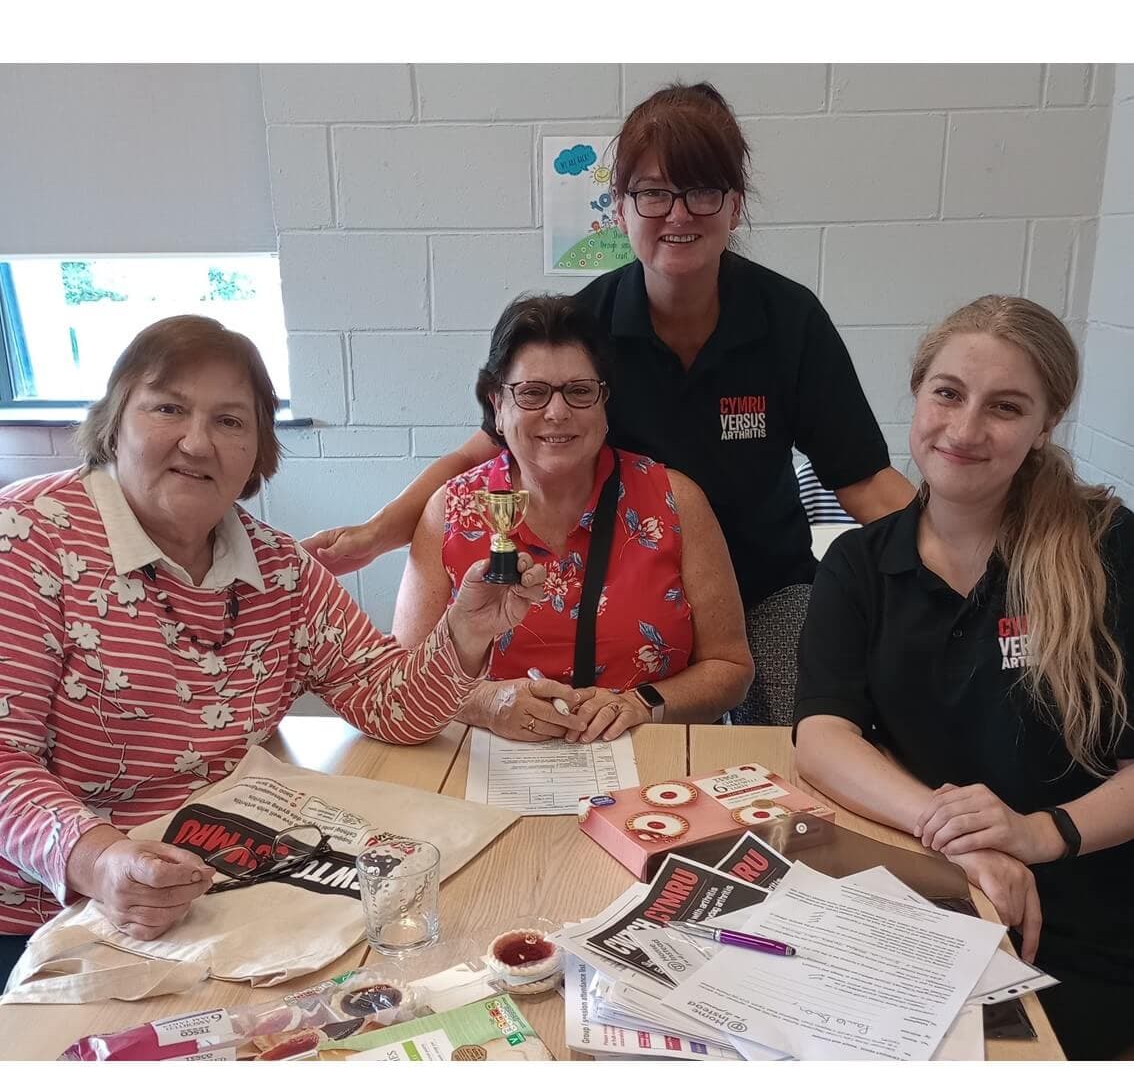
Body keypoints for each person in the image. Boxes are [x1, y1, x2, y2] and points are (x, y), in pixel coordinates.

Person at [302, 82, 915, 725]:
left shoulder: (790, 321)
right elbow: (488, 445)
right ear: (620, 208)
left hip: (764, 582)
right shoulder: (587, 325)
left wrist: (968, 559)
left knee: (803, 719)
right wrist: (378, 532)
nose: (679, 215)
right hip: (625, 579)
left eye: (703, 191)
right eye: (653, 193)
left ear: (735, 207)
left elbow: (866, 479)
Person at [0, 315, 545, 985]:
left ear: (259, 450)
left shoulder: (278, 568)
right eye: (168, 408)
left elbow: (388, 706)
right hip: (48, 916)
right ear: (113, 423)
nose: (197, 443)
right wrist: (98, 858)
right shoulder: (24, 542)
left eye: (230, 421)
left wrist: (464, 633)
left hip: (228, 893)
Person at [793, 295, 1134, 1060]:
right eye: (947, 393)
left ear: (1045, 426)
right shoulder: (860, 565)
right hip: (939, 891)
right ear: (917, 395)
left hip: (1089, 919)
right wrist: (954, 837)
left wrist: (1037, 836)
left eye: (1005, 407)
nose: (965, 429)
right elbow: (821, 734)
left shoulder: (1110, 550)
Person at [393, 294, 753, 743]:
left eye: (579, 391)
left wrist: (642, 704)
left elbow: (731, 668)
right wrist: (486, 704)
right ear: (497, 405)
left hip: (650, 768)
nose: (557, 412)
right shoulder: (449, 511)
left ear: (605, 402)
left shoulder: (675, 500)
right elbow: (403, 677)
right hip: (493, 763)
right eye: (532, 393)